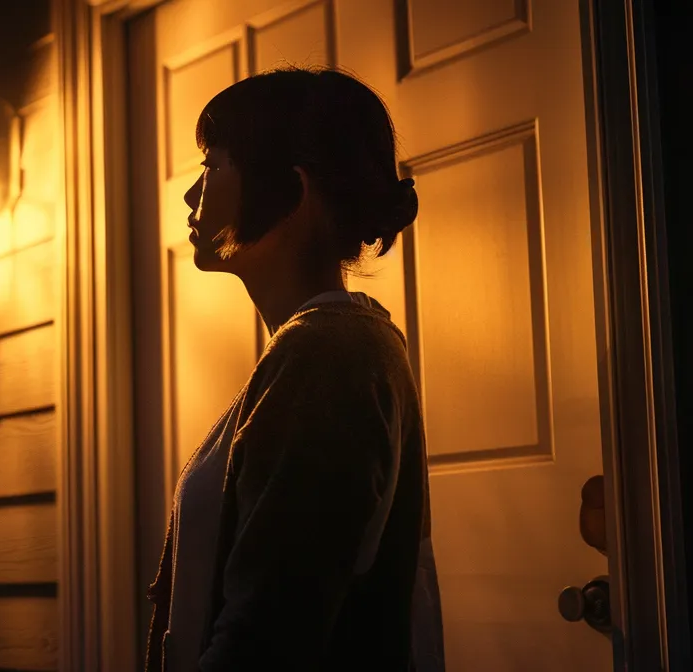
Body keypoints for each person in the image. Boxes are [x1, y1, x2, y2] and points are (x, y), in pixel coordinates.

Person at [144, 67, 445, 672]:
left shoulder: (329, 357)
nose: (190, 193)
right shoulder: (328, 345)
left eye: (213, 165)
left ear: (294, 189)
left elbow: (270, 629)